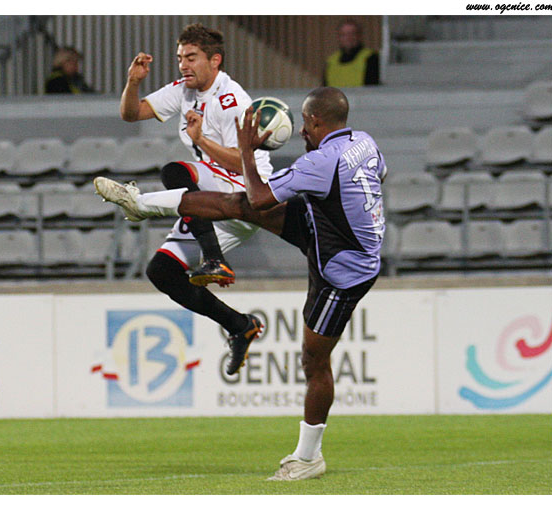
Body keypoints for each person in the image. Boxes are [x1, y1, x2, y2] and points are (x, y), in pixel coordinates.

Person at [95, 87, 386, 481]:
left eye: (305, 122)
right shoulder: (364, 142)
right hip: (324, 227)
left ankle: (308, 458)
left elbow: (262, 197)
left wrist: (247, 151)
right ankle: (141, 204)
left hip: (343, 270)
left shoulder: (320, 161)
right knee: (236, 205)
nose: (301, 130)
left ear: (316, 121)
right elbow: (378, 175)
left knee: (313, 361)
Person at [112, 23, 274, 374]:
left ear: (215, 61)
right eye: (180, 58)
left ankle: (213, 258)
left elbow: (244, 162)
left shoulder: (232, 100)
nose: (183, 65)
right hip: (214, 203)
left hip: (245, 191)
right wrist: (133, 82)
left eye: (191, 57)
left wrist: (201, 141)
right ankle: (240, 325)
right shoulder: (184, 90)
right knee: (162, 271)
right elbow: (130, 113)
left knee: (175, 171)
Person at [323, 19, 380, 88]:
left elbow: (373, 88)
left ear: (359, 36)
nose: (348, 38)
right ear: (338, 38)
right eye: (343, 35)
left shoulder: (371, 57)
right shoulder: (331, 62)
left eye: (352, 34)